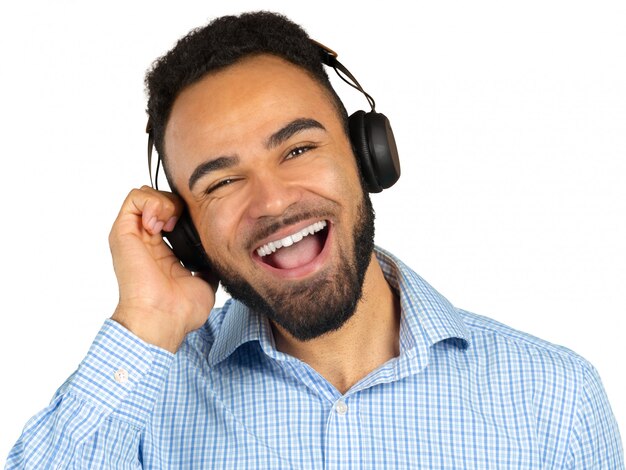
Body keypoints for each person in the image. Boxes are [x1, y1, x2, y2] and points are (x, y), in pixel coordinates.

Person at [6, 10, 623, 469]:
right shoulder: (142, 398)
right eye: (221, 182)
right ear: (188, 232)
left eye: (298, 148)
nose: (272, 202)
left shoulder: (553, 397)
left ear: (366, 155)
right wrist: (145, 323)